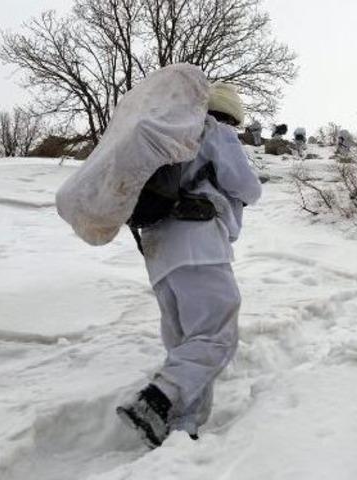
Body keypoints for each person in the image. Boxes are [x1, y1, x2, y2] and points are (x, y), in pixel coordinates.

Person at [116, 82, 263, 448]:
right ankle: (157, 397)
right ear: (230, 115)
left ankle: (182, 429)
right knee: (218, 333)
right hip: (198, 242)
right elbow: (248, 187)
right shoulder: (214, 130)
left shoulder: (166, 137)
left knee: (187, 342)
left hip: (158, 250)